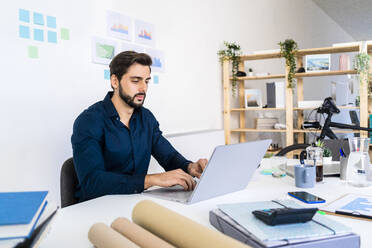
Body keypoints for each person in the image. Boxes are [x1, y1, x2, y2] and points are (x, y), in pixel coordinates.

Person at [71, 51, 207, 202]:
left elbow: (169, 157)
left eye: (147, 81)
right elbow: (92, 183)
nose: (143, 88)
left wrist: (190, 167)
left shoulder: (146, 118)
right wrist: (151, 180)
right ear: (115, 81)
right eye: (136, 81)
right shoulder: (89, 121)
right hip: (95, 208)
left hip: (134, 203)